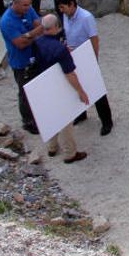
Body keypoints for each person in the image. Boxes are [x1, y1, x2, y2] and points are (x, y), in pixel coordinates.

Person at [32, 14, 89, 164]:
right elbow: (70, 73)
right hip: (59, 86)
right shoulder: (60, 49)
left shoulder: (37, 42)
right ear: (57, 27)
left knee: (51, 115)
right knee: (66, 120)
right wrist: (80, 91)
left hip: (44, 85)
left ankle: (52, 147)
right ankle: (70, 153)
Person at [57, 0, 114, 136]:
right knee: (77, 85)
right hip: (72, 55)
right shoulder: (66, 15)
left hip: (86, 56)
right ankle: (81, 114)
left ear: (72, 4)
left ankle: (107, 121)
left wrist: (94, 59)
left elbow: (94, 39)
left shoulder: (86, 17)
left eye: (63, 7)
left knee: (96, 89)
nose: (61, 11)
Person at [0, 0, 43, 134]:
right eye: (25, 5)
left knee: (38, 88)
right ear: (15, 3)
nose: (28, 8)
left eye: (29, 4)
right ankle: (28, 122)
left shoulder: (28, 9)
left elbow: (40, 26)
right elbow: (20, 44)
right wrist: (34, 33)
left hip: (35, 56)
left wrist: (29, 35)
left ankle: (39, 114)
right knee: (24, 93)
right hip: (21, 62)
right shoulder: (7, 21)